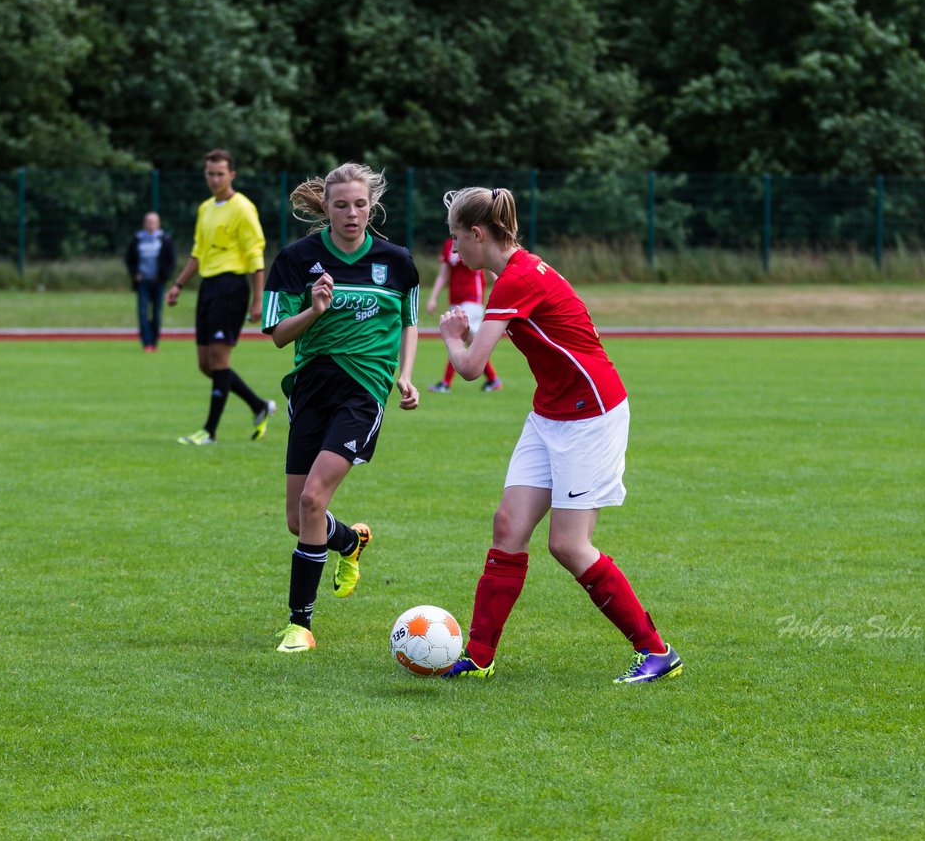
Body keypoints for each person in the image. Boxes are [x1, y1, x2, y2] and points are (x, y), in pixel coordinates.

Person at [437, 186, 682, 685]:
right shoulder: (520, 271)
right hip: (550, 413)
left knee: (569, 545)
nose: (455, 251)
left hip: (592, 415)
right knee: (508, 525)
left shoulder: (515, 281)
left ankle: (657, 652)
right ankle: (479, 656)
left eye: (457, 238)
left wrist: (450, 336)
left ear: (478, 234)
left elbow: (469, 368)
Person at [263, 163, 421, 653]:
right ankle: (349, 542)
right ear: (325, 208)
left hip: (363, 389)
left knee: (314, 499)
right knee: (299, 517)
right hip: (311, 388)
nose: (352, 214)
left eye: (359, 204)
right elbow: (275, 335)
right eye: (341, 205)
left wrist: (405, 374)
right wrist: (313, 310)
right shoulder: (296, 259)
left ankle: (300, 624)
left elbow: (410, 320)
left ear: (371, 205)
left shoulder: (397, 262)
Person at [166, 149, 276, 445]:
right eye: (209, 174)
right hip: (208, 287)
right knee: (207, 364)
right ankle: (259, 405)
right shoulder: (205, 208)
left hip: (231, 287)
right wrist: (178, 284)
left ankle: (209, 432)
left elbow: (256, 254)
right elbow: (198, 252)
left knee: (219, 359)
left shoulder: (243, 208)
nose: (214, 179)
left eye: (220, 174)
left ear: (232, 175)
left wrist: (257, 300)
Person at [426, 236, 501, 392]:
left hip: (473, 298)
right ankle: (493, 380)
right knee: (471, 342)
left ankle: (446, 383)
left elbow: (488, 266)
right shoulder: (448, 245)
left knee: (458, 337)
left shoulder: (473, 240)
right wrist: (433, 297)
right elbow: (444, 274)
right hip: (456, 299)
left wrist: (501, 283)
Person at [124, 211, 176, 351]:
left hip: (158, 282)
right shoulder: (138, 239)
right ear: (144, 223)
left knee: (157, 312)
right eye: (148, 222)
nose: (150, 224)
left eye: (153, 222)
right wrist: (135, 274)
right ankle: (146, 343)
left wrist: (164, 276)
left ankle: (154, 342)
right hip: (143, 282)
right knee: (142, 312)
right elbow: (129, 259)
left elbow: (171, 261)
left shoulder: (165, 239)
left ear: (158, 223)